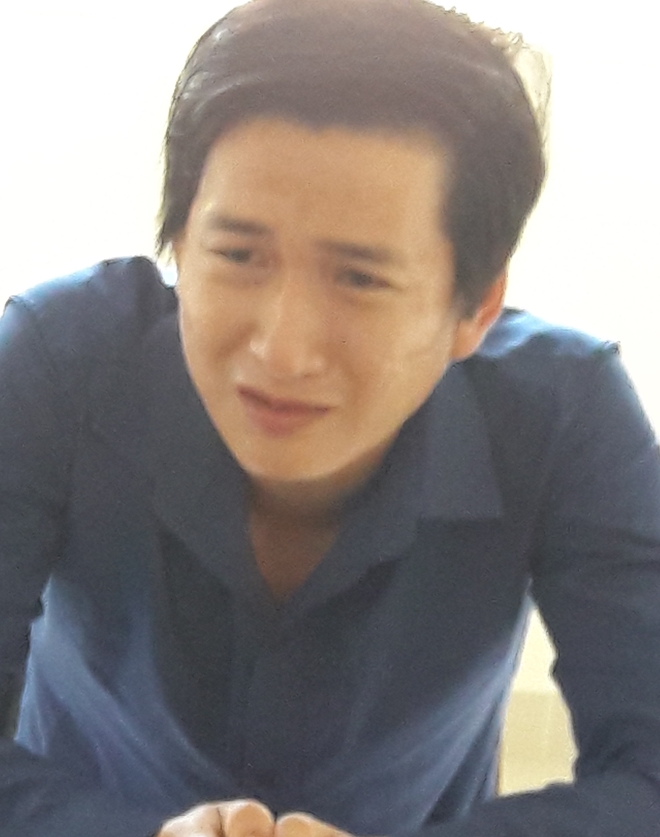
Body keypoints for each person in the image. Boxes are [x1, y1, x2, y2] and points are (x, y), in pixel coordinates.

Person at [0, 0, 658, 835]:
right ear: (179, 246)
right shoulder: (58, 362)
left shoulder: (564, 413)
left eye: (359, 278)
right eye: (239, 254)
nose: (282, 349)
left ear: (476, 307)